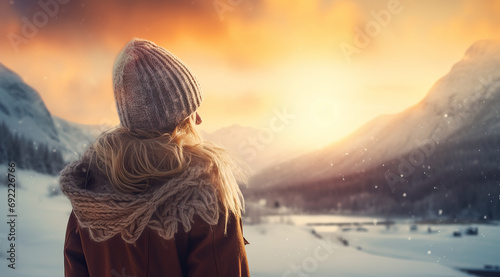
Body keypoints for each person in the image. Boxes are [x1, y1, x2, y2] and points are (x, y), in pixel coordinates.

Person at [59, 38, 250, 277]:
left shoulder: (89, 196)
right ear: (174, 122)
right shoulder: (205, 197)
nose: (198, 120)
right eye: (189, 112)